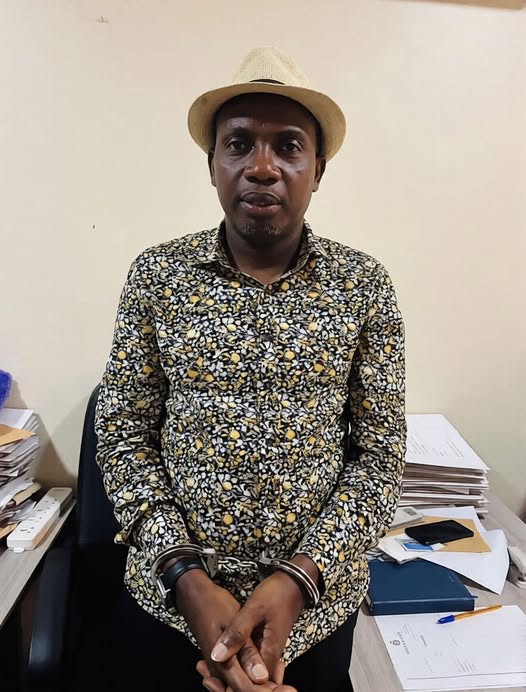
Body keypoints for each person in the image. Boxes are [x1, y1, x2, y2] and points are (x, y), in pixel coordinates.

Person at [95, 46, 407, 692]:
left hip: (312, 613)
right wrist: (185, 577)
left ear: (318, 170)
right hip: (169, 606)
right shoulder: (157, 276)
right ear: (212, 164)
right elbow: (123, 437)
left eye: (288, 146)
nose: (262, 167)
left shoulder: (364, 287)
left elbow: (378, 458)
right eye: (239, 144)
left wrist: (298, 579)